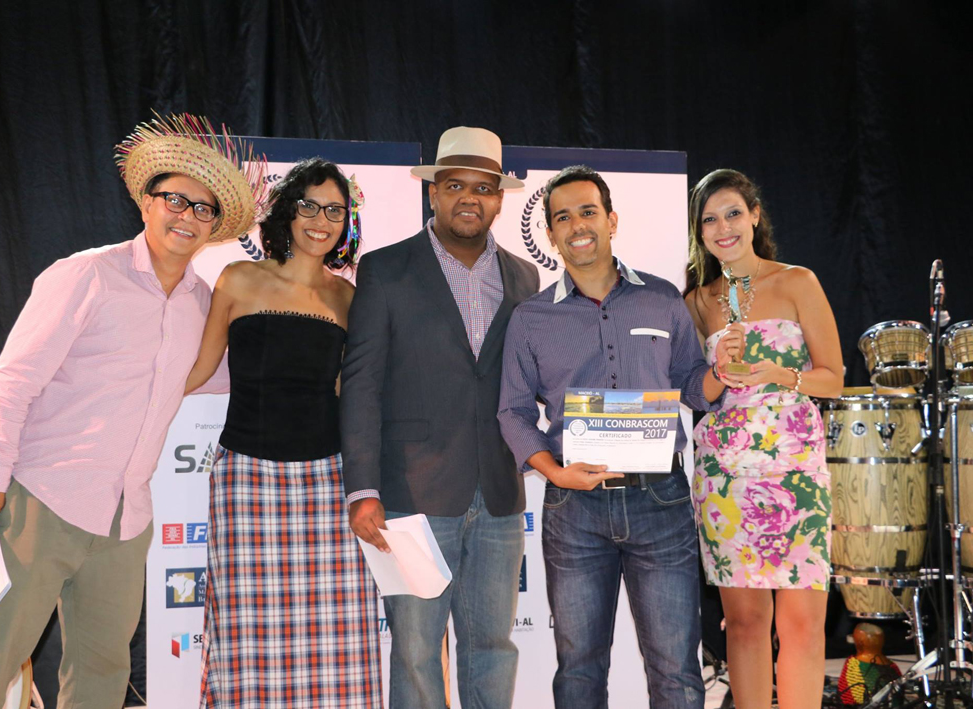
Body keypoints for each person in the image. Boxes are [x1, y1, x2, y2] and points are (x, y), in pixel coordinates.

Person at [0, 113, 266, 709]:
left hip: (127, 519)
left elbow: (225, 378)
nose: (187, 216)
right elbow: (13, 380)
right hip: (42, 498)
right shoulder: (86, 274)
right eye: (176, 200)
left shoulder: (203, 304)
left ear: (214, 227)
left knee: (103, 671)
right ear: (147, 202)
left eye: (203, 209)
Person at [498, 164, 729, 708]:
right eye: (563, 217)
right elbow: (512, 412)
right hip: (574, 508)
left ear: (611, 220)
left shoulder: (662, 298)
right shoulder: (531, 318)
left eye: (588, 211)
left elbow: (691, 385)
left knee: (677, 670)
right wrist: (555, 473)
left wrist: (723, 371)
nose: (577, 225)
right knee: (579, 671)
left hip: (661, 499)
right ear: (549, 234)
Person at [341, 126, 539, 708]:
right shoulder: (385, 269)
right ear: (433, 192)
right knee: (416, 649)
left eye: (483, 188)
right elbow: (361, 384)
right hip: (410, 495)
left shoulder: (525, 276)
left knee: (492, 646)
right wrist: (363, 489)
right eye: (455, 185)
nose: (469, 198)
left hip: (500, 493)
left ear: (499, 200)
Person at [185, 157, 381, 708]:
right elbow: (198, 370)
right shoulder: (239, 278)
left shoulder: (348, 297)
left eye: (335, 211)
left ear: (347, 221)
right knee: (244, 634)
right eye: (309, 206)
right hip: (246, 481)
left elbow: (351, 395)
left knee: (339, 634)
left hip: (328, 483)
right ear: (287, 211)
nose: (321, 221)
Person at [685, 168, 843, 709]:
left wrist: (782, 375)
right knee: (745, 624)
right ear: (699, 233)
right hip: (725, 476)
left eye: (733, 213)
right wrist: (716, 371)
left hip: (795, 468)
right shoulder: (698, 300)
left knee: (802, 625)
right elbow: (693, 391)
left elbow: (834, 378)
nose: (723, 228)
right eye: (709, 220)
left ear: (754, 216)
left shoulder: (798, 281)